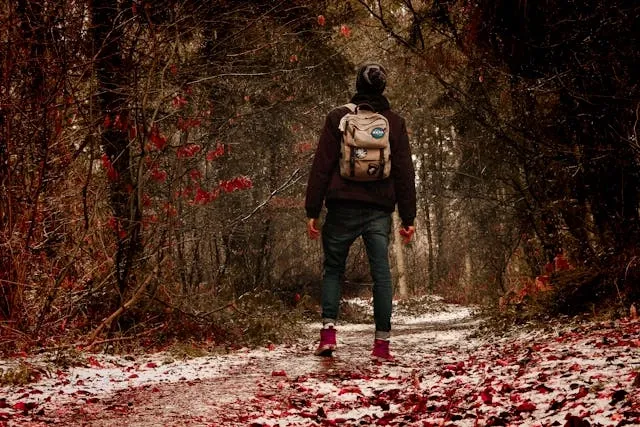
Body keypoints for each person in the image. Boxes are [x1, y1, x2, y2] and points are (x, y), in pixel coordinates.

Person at [304, 62, 417, 361]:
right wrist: (409, 218)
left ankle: (328, 335)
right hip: (379, 210)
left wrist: (312, 209)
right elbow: (405, 172)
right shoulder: (394, 122)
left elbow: (322, 165)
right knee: (381, 274)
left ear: (357, 84)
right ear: (383, 87)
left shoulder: (338, 118)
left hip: (341, 206)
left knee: (333, 270)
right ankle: (381, 345)